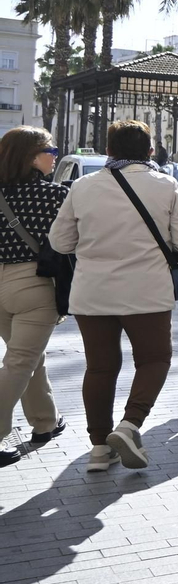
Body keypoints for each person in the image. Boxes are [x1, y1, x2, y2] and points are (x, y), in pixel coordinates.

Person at [48, 119, 178, 471]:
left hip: (92, 292)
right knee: (154, 359)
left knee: (100, 367)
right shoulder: (165, 185)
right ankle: (130, 425)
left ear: (108, 150)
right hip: (146, 291)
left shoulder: (83, 186)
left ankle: (100, 449)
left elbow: (60, 242)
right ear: (150, 151)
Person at [0, 127, 68, 468]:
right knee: (19, 362)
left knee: (26, 356)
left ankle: (45, 422)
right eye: (50, 150)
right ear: (32, 157)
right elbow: (69, 244)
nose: (54, 156)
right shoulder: (54, 195)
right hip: (32, 284)